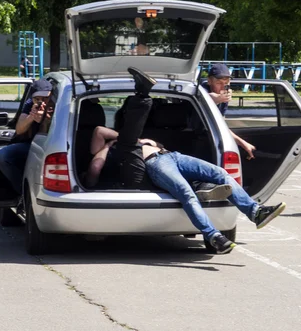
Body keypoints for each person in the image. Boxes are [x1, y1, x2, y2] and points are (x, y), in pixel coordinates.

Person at [87, 67, 287, 254]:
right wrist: (109, 145)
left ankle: (255, 212)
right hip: (155, 164)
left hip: (172, 155)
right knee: (186, 193)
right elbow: (98, 136)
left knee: (221, 173)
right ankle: (213, 235)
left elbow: (111, 133)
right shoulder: (114, 148)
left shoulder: (131, 139)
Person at [0, 79, 53, 195]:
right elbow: (19, 129)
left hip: (52, 146)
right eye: (37, 99)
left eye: (45, 98)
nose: (41, 102)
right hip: (32, 145)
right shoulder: (30, 104)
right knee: (3, 156)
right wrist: (31, 117)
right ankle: (23, 193)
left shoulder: (57, 104)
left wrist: (47, 120)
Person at [202, 63, 256, 159]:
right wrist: (213, 99)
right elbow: (203, 96)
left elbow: (221, 125)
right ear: (209, 81)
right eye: (219, 83)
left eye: (226, 83)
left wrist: (242, 143)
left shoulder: (224, 96)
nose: (223, 87)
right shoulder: (201, 90)